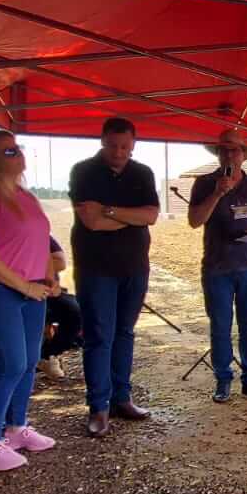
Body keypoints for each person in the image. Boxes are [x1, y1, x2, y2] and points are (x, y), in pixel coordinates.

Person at [0, 130, 58, 470]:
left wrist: (49, 275)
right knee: (12, 364)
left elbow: (43, 241)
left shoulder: (25, 196)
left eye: (17, 149)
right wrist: (25, 286)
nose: (17, 155)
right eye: (7, 151)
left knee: (29, 361)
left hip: (31, 290)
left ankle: (17, 427)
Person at [68, 117, 160, 437]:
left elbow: (150, 215)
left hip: (135, 267)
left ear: (133, 144)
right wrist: (129, 217)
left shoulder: (142, 173)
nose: (119, 152)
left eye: (125, 146)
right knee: (98, 336)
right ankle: (98, 407)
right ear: (102, 141)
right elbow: (91, 223)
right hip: (96, 269)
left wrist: (109, 210)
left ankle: (122, 398)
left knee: (124, 333)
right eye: (113, 145)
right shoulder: (83, 171)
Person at [188, 129, 247, 402]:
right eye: (224, 149)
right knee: (221, 326)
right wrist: (216, 194)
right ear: (218, 153)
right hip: (218, 268)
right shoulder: (203, 183)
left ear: (243, 155)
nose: (229, 154)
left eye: (235, 149)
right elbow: (194, 220)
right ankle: (223, 379)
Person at [38, 236, 83, 381]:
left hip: (50, 291)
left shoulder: (41, 232)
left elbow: (60, 262)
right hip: (13, 291)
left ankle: (48, 354)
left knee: (75, 312)